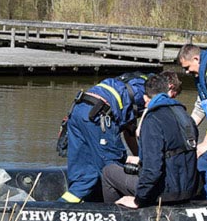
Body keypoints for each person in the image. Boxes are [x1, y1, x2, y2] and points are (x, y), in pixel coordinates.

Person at [101, 74, 200, 208]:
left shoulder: (153, 119)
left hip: (164, 193)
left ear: (145, 98)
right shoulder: (185, 115)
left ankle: (114, 215)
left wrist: (139, 200)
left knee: (109, 172)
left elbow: (152, 170)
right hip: (189, 189)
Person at [60, 71, 150, 203]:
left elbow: (129, 131)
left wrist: (139, 158)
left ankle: (58, 208)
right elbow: (137, 132)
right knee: (112, 169)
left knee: (84, 176)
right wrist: (143, 161)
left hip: (78, 109)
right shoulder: (152, 93)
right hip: (99, 117)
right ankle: (117, 210)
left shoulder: (132, 81)